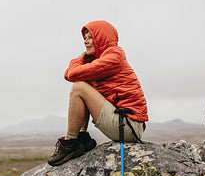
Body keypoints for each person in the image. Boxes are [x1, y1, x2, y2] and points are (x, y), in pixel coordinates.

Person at [48, 20, 148, 166]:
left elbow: (71, 75)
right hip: (128, 123)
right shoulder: (107, 57)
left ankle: (70, 143)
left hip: (127, 125)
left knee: (79, 88)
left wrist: (80, 58)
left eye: (90, 37)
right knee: (86, 84)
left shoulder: (114, 57)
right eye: (85, 38)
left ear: (101, 38)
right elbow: (71, 74)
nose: (86, 42)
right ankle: (81, 138)